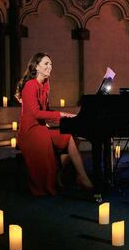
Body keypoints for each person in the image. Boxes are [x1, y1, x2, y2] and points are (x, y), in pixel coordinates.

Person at [15, 52, 94, 196]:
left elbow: (46, 110)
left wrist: (65, 115)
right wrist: (61, 115)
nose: (50, 67)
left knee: (70, 138)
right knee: (62, 139)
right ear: (36, 67)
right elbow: (35, 113)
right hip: (30, 131)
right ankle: (55, 176)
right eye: (46, 64)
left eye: (51, 64)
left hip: (41, 127)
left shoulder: (45, 84)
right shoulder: (30, 86)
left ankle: (81, 177)